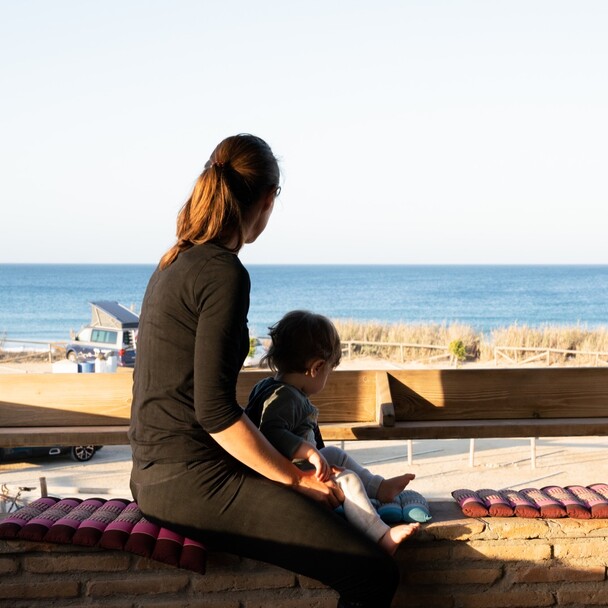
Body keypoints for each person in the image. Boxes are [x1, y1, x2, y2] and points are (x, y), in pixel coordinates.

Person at [128, 134, 401, 608]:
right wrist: (295, 481)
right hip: (190, 482)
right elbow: (213, 412)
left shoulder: (175, 262)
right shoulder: (223, 272)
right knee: (372, 574)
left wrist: (294, 460)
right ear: (268, 199)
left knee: (329, 495)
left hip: (157, 475)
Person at [246, 310, 419, 555]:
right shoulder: (286, 397)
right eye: (329, 370)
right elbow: (271, 433)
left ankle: (381, 488)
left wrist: (314, 454)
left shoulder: (267, 386)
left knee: (335, 454)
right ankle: (380, 535)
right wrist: (310, 453)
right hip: (286, 475)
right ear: (316, 367)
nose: (327, 376)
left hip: (290, 466)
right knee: (347, 479)